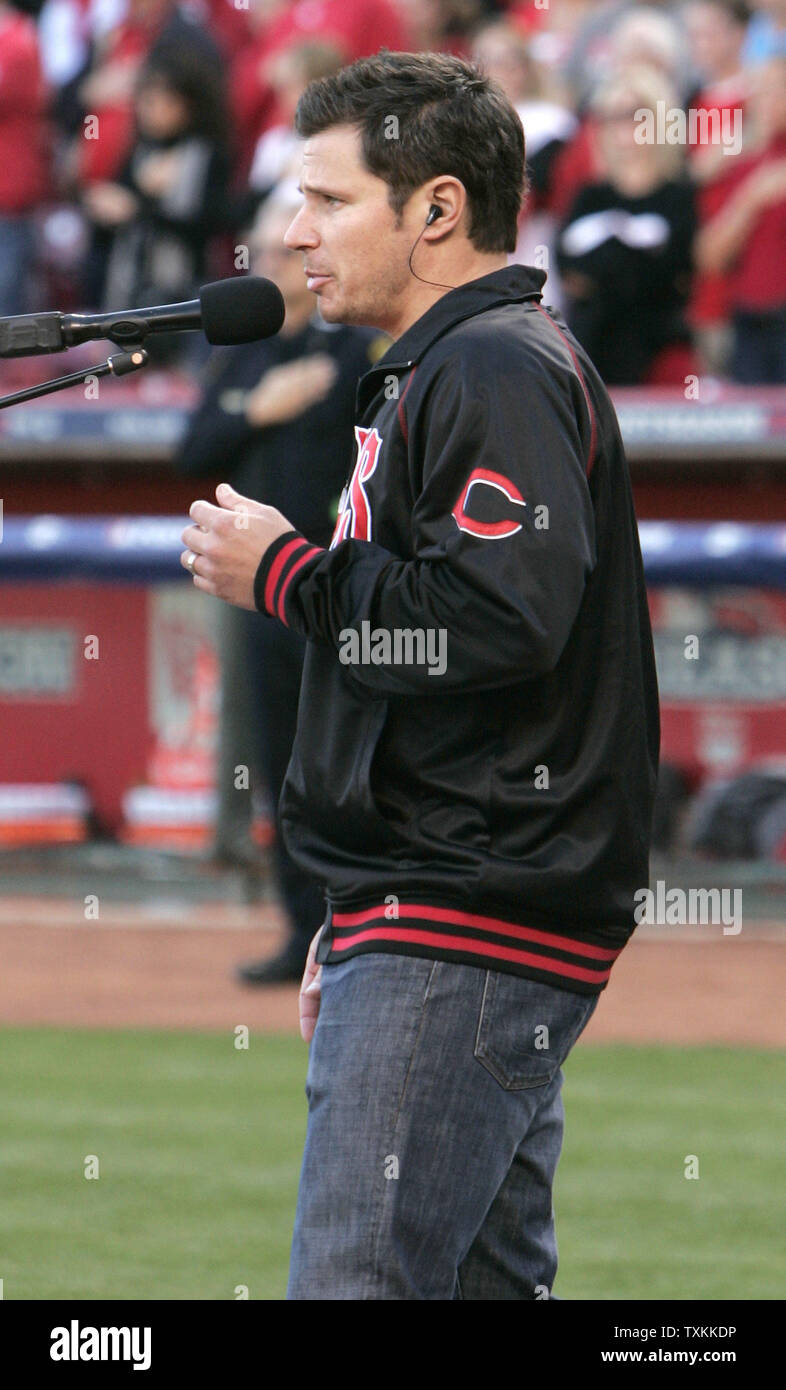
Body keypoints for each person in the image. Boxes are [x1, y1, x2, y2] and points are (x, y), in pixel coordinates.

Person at [179, 51, 659, 1300]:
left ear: (436, 209)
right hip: (437, 900)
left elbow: (502, 621)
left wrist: (290, 575)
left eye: (330, 202)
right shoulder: (446, 362)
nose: (296, 233)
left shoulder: (492, 363)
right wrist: (354, 912)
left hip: (467, 909)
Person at [175, 188, 382, 982]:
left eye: (279, 252)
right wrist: (257, 409)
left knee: (345, 767)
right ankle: (304, 933)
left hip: (339, 588)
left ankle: (358, 932)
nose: (267, 264)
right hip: (259, 591)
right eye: (260, 252)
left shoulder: (351, 349)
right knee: (282, 764)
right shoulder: (249, 353)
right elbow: (192, 449)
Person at [556, 65, 697, 384]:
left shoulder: (679, 195)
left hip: (660, 351)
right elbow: (570, 271)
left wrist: (610, 269)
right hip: (592, 351)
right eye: (611, 116)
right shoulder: (588, 197)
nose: (622, 127)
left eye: (633, 114)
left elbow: (677, 271)